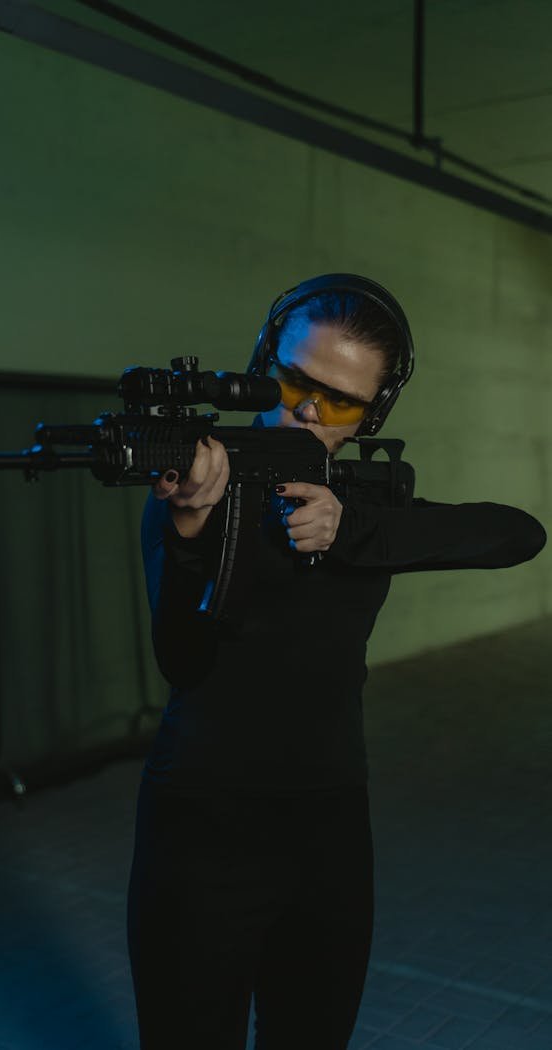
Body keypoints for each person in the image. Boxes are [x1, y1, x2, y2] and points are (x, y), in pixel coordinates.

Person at [126, 274, 547, 1050]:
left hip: (329, 830)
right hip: (202, 827)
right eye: (292, 381)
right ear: (263, 362)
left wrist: (349, 529)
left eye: (343, 402)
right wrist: (191, 528)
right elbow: (180, 661)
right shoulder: (190, 484)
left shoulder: (363, 498)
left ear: (374, 412)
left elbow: (517, 534)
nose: (310, 411)